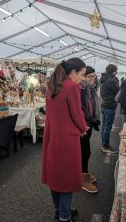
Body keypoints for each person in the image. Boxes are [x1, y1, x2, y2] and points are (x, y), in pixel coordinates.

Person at [42, 58, 88, 222]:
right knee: (66, 177)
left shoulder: (53, 85)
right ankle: (64, 215)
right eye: (82, 74)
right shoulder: (72, 87)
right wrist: (83, 128)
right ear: (73, 72)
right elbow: (77, 113)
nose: (83, 78)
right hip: (67, 138)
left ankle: (60, 210)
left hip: (52, 134)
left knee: (56, 175)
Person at [80, 66, 100, 194]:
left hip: (89, 123)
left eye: (94, 76)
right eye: (89, 76)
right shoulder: (80, 89)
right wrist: (89, 120)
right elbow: (81, 108)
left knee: (84, 151)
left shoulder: (90, 88)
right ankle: (82, 179)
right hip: (82, 125)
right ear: (83, 76)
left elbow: (93, 105)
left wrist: (95, 119)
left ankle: (84, 174)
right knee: (84, 151)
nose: (93, 78)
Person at [100, 64, 120, 153]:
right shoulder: (111, 80)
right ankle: (105, 146)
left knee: (104, 126)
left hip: (104, 105)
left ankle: (104, 144)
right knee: (107, 127)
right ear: (113, 71)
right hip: (110, 106)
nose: (117, 72)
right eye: (116, 71)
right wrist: (116, 80)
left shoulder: (104, 79)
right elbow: (118, 90)